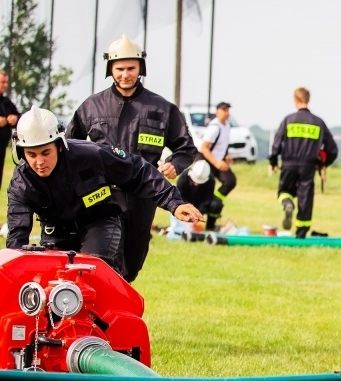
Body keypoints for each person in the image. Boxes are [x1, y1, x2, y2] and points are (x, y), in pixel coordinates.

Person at [6, 106, 203, 274]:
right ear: (21, 152)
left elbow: (138, 171)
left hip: (99, 222)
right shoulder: (21, 182)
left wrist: (174, 203)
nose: (39, 162)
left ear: (59, 145)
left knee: (88, 273)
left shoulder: (91, 155)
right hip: (56, 232)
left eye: (45, 152)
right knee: (51, 284)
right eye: (31, 154)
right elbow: (17, 238)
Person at [65, 34, 197, 282]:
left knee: (132, 264)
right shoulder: (91, 107)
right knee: (101, 259)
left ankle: (118, 297)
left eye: (131, 68)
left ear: (140, 68)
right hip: (101, 196)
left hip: (143, 196)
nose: (125, 74)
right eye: (119, 69)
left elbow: (187, 148)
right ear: (110, 69)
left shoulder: (161, 108)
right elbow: (69, 148)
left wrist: (174, 164)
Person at [269, 87, 338, 238]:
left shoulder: (288, 120)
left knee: (284, 191)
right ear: (308, 100)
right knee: (305, 198)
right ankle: (301, 232)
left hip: (288, 164)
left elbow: (276, 144)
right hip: (308, 165)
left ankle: (287, 203)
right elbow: (332, 149)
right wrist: (323, 164)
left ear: (295, 100)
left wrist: (273, 161)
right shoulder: (318, 122)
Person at [197, 102, 237, 229]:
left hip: (219, 160)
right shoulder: (214, 127)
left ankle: (215, 201)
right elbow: (204, 148)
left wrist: (226, 155)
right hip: (207, 160)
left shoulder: (227, 126)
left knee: (230, 181)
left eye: (228, 110)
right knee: (206, 187)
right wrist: (216, 163)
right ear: (217, 112)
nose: (227, 113)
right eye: (224, 110)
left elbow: (222, 144)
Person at [176, 160, 221, 231]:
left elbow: (207, 199)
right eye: (195, 181)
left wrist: (198, 215)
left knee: (216, 204)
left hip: (200, 202)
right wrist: (188, 209)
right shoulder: (184, 176)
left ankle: (210, 227)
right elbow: (179, 195)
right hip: (186, 202)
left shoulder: (211, 180)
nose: (196, 184)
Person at [0, 70, 20, 187]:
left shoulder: (6, 102)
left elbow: (20, 117)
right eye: (2, 82)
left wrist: (15, 118)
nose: (5, 85)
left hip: (2, 148)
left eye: (6, 82)